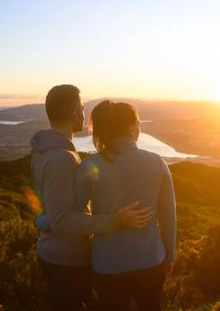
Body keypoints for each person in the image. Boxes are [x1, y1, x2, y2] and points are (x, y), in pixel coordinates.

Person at [31, 85, 152, 311]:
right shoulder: (61, 159)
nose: (84, 114)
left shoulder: (44, 150)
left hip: (54, 253)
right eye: (82, 107)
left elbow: (53, 211)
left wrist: (40, 220)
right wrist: (116, 219)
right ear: (73, 112)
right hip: (67, 259)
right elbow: (63, 220)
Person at [79, 100, 177, 311]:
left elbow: (76, 217)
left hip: (107, 265)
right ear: (132, 127)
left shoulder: (90, 166)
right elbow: (169, 217)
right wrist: (169, 255)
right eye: (139, 124)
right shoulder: (157, 163)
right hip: (152, 260)